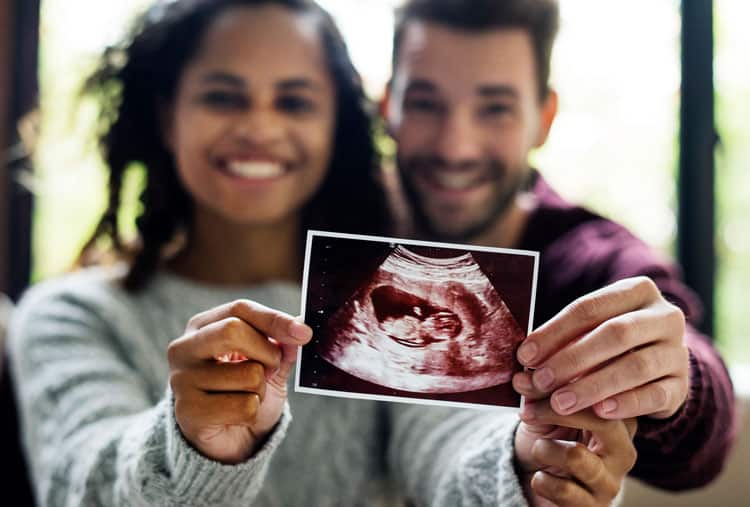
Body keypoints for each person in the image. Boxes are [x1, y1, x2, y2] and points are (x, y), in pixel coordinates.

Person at [8, 0, 636, 505]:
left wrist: (524, 464)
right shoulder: (72, 315)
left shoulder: (391, 294)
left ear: (336, 125)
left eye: (294, 101)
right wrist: (190, 444)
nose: (260, 126)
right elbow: (77, 481)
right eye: (223, 96)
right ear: (167, 116)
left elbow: (446, 442)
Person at [382, 0, 737, 492]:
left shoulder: (588, 259)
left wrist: (677, 382)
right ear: (387, 107)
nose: (455, 146)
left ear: (543, 119)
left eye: (495, 109)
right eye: (425, 103)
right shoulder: (326, 219)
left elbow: (704, 430)